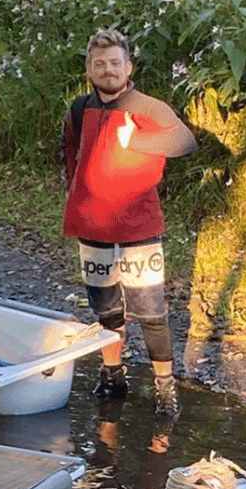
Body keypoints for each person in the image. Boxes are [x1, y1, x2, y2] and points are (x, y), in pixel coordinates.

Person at [59, 28, 196, 417]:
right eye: (100, 64)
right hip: (93, 227)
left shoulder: (147, 107)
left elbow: (185, 142)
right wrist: (76, 191)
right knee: (106, 311)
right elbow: (70, 150)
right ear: (89, 69)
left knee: (151, 313)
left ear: (128, 66)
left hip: (140, 230)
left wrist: (138, 141)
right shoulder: (78, 108)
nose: (108, 70)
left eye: (115, 63)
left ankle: (165, 387)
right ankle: (112, 374)